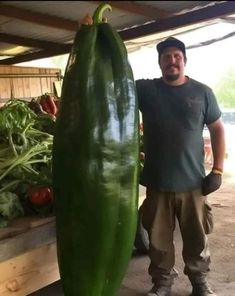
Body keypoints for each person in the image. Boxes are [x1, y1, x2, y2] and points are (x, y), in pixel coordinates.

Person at [136, 37, 225, 296]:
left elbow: (217, 128)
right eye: (166, 57)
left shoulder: (202, 92)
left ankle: (200, 283)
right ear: (160, 63)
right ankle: (162, 284)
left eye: (176, 56)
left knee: (197, 239)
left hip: (193, 184)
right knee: (159, 241)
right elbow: (114, 85)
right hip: (158, 183)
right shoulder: (146, 90)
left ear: (184, 60)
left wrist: (217, 171)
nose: (171, 61)